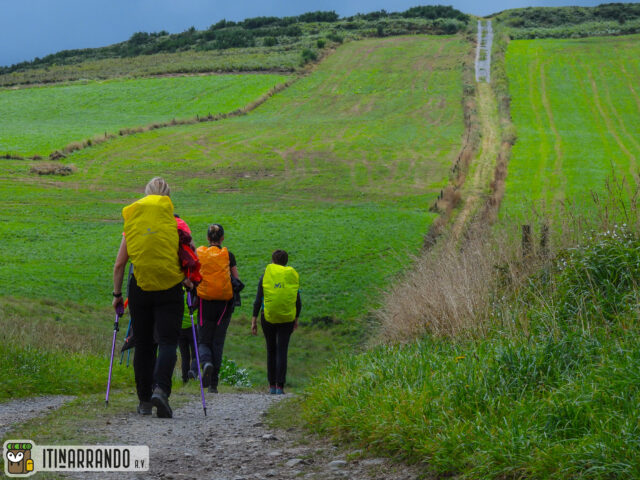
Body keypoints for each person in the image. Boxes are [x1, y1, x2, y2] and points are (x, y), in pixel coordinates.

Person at [112, 177, 192, 418]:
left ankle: (145, 400)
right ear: (168, 197)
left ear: (145, 195)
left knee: (144, 343)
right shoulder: (177, 223)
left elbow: (119, 265)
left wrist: (117, 295)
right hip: (170, 288)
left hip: (140, 288)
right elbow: (189, 259)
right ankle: (161, 390)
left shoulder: (134, 223)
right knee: (168, 341)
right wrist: (189, 282)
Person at [196, 224, 240, 393]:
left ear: (208, 238)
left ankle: (206, 362)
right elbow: (236, 279)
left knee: (203, 340)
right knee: (218, 342)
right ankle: (213, 384)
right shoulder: (228, 255)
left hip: (204, 302)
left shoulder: (200, 254)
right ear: (222, 238)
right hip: (224, 305)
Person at [251, 250, 301, 395]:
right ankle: (280, 386)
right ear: (286, 262)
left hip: (267, 317)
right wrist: (296, 319)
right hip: (287, 319)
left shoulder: (265, 275)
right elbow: (298, 302)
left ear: (272, 261)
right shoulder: (291, 276)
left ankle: (271, 385)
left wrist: (254, 321)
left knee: (271, 349)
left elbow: (257, 300)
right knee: (282, 350)